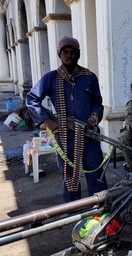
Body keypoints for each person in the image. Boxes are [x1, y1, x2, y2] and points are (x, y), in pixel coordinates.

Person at [26, 36, 107, 203]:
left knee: (96, 175)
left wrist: (94, 117)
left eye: (73, 52)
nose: (69, 55)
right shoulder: (51, 78)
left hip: (89, 134)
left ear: (78, 54)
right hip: (65, 137)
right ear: (59, 54)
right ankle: (72, 212)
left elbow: (97, 102)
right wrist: (47, 121)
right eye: (65, 52)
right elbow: (31, 99)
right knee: (70, 177)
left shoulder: (89, 77)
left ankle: (100, 212)